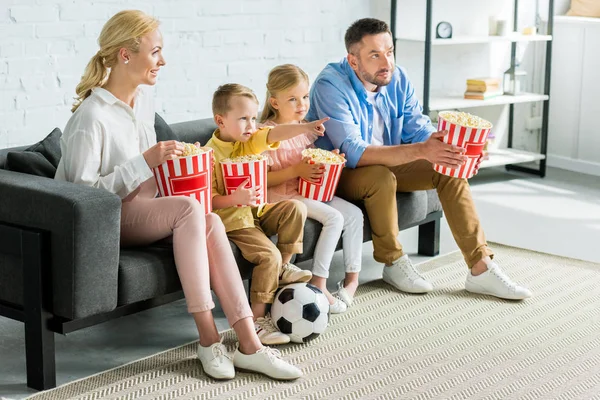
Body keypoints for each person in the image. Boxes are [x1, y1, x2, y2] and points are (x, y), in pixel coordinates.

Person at [54, 10, 302, 381]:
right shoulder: (91, 117)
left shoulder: (142, 105)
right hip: (103, 220)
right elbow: (79, 197)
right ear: (125, 55)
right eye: (155, 52)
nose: (163, 61)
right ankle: (207, 337)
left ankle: (251, 344)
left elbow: (153, 177)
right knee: (189, 210)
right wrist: (146, 161)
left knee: (210, 219)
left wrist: (185, 166)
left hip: (142, 207)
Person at [307, 18, 531, 300]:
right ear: (353, 61)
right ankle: (393, 262)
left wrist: (457, 149)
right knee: (379, 175)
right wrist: (421, 151)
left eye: (389, 51)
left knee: (448, 167)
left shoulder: (396, 77)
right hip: (340, 173)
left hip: (388, 163)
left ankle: (481, 268)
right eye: (374, 55)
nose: (385, 61)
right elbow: (354, 152)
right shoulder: (330, 84)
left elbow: (419, 128)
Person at [205, 83, 329, 344]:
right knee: (267, 256)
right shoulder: (210, 156)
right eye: (243, 119)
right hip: (235, 222)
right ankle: (257, 320)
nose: (251, 126)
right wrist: (234, 199)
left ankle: (283, 266)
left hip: (258, 213)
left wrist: (306, 127)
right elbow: (206, 201)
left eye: (253, 118)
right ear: (221, 120)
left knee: (296, 207)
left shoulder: (246, 143)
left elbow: (275, 134)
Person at [260, 64, 364, 313]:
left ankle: (351, 281)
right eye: (293, 99)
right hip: (283, 198)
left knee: (354, 215)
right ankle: (319, 282)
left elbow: (309, 164)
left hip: (306, 191)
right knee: (334, 218)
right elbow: (263, 180)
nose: (302, 104)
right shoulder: (266, 133)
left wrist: (329, 161)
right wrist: (296, 171)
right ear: (274, 102)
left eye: (305, 97)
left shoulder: (305, 128)